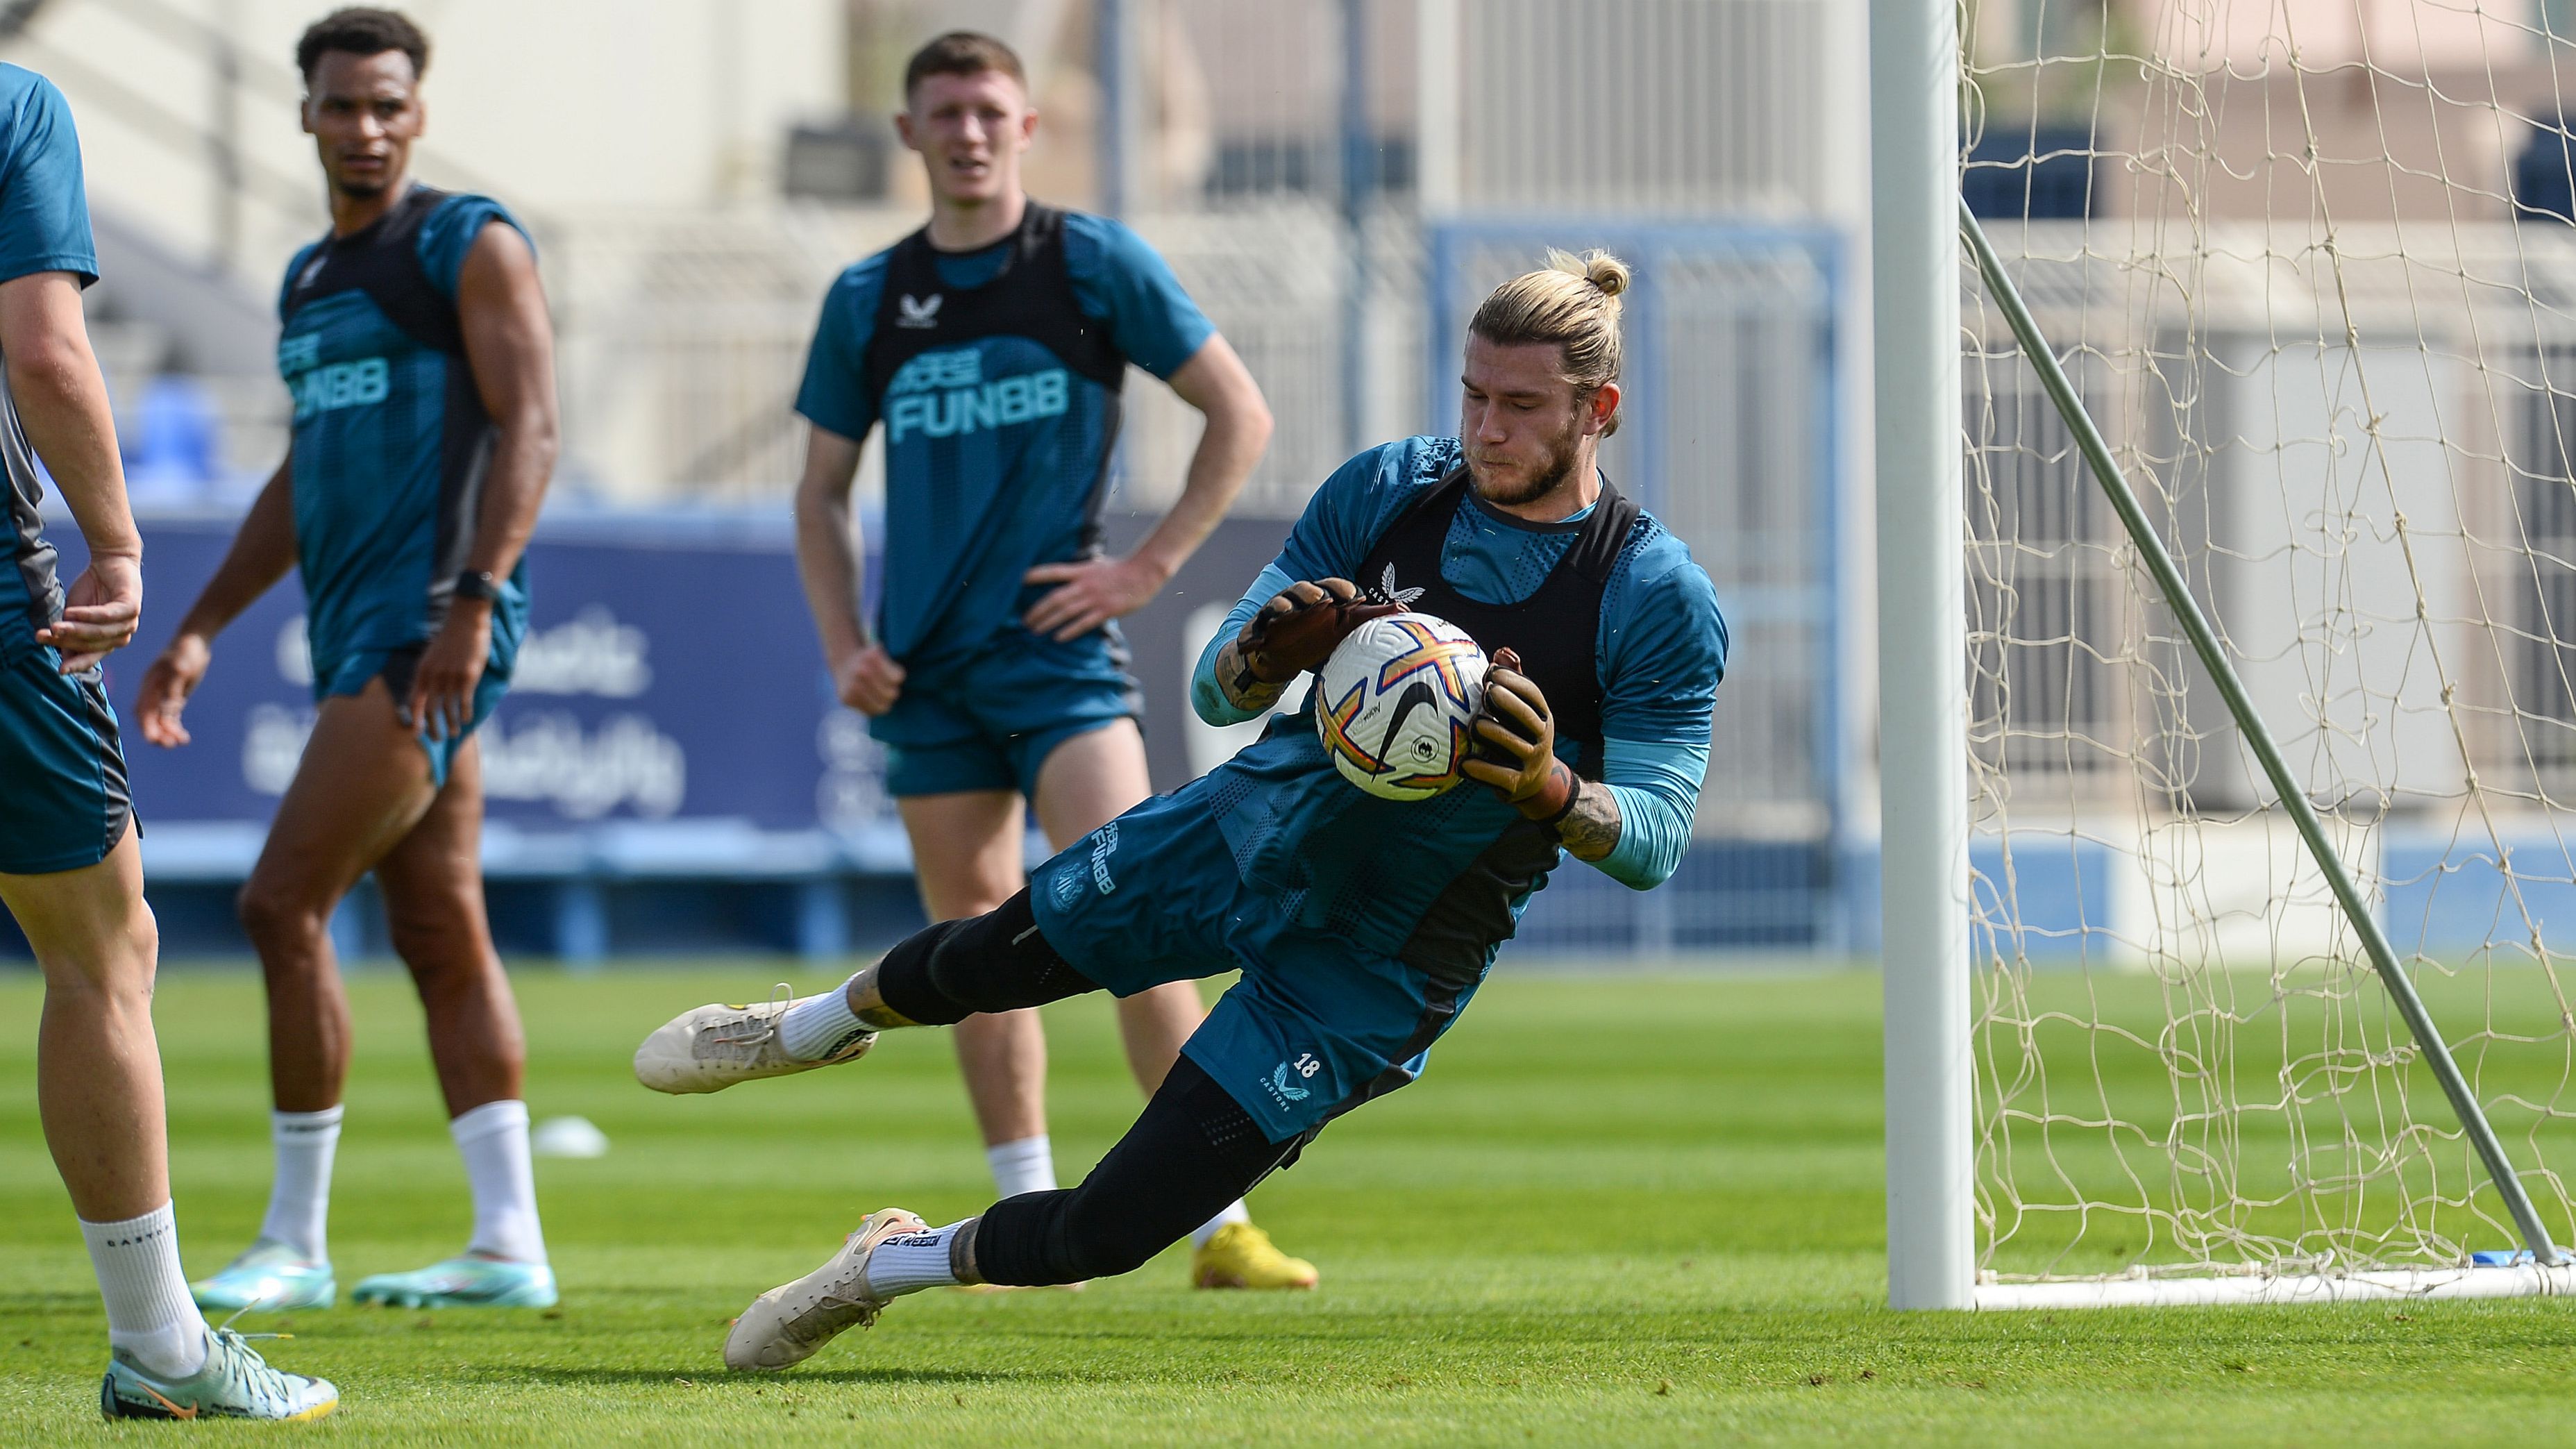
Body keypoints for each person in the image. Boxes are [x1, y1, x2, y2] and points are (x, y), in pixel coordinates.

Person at [640, 250, 1728, 1371]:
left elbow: (1654, 839)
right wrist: (1268, 652)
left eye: (1521, 407)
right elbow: (1215, 685)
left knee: (1102, 1234)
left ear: (1596, 410)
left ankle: (880, 1265)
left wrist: (1554, 789)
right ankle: (808, 1027)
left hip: (1380, 963)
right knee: (984, 965)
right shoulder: (1391, 488)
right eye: (1473, 395)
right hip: (1240, 836)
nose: (1486, 430)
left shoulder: (1651, 596)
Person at [633, 31, 1314, 1289]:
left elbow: (1240, 410)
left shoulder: (1089, 262)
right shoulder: (870, 297)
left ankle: (1218, 1225)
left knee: (1138, 914)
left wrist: (1144, 570)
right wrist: (844, 642)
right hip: (928, 680)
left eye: (990, 111)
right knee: (971, 943)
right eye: (944, 112)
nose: (968, 133)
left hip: (1064, 663)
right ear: (910, 134)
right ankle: (1020, 1208)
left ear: (1027, 127)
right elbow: (820, 494)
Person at [133, 7, 560, 1314]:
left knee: (279, 904)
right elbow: (301, 474)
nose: (364, 128)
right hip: (359, 634)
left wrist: (476, 604)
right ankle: (509, 1249)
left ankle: (294, 1243)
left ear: (418, 112)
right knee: (438, 927)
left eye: (387, 104)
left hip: (426, 633)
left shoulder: (465, 240)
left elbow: (533, 423)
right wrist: (202, 623)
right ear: (307, 114)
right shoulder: (312, 281)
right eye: (341, 106)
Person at [0, 64, 339, 1419]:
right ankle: (160, 1346)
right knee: (102, 947)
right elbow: (42, 346)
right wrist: (122, 541)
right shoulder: (16, 104)